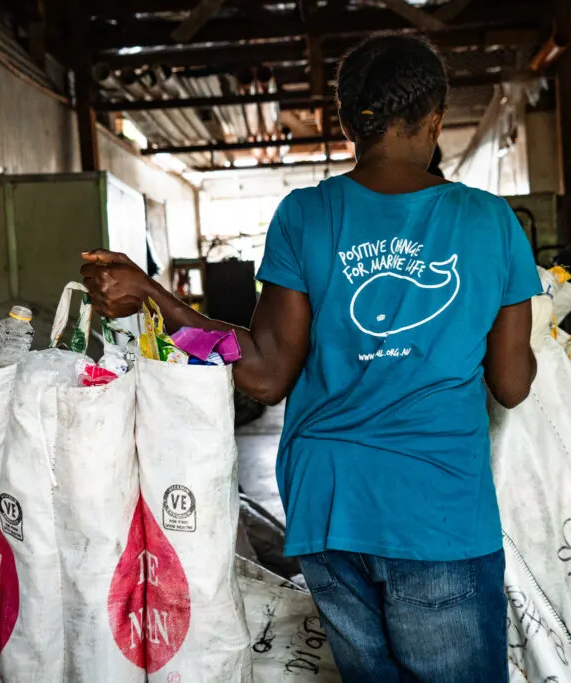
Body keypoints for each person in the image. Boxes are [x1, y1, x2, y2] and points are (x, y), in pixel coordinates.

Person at [81, 34, 541, 683]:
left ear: (349, 121)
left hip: (328, 510)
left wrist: (158, 300)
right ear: (435, 117)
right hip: (438, 513)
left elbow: (265, 374)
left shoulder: (305, 215)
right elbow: (513, 383)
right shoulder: (492, 223)